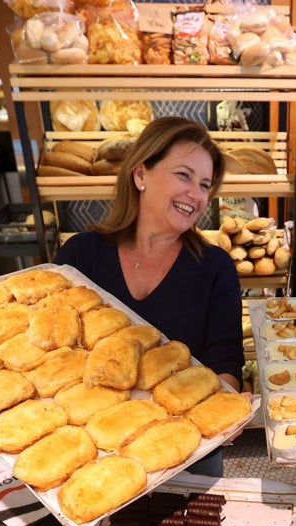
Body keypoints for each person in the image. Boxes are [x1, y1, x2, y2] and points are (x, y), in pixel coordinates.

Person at [54, 116, 243, 476]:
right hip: (90, 453)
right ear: (141, 175)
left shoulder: (215, 266)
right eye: (184, 175)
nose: (196, 195)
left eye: (205, 185)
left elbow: (225, 359)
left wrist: (226, 404)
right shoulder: (81, 256)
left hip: (185, 451)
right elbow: (56, 353)